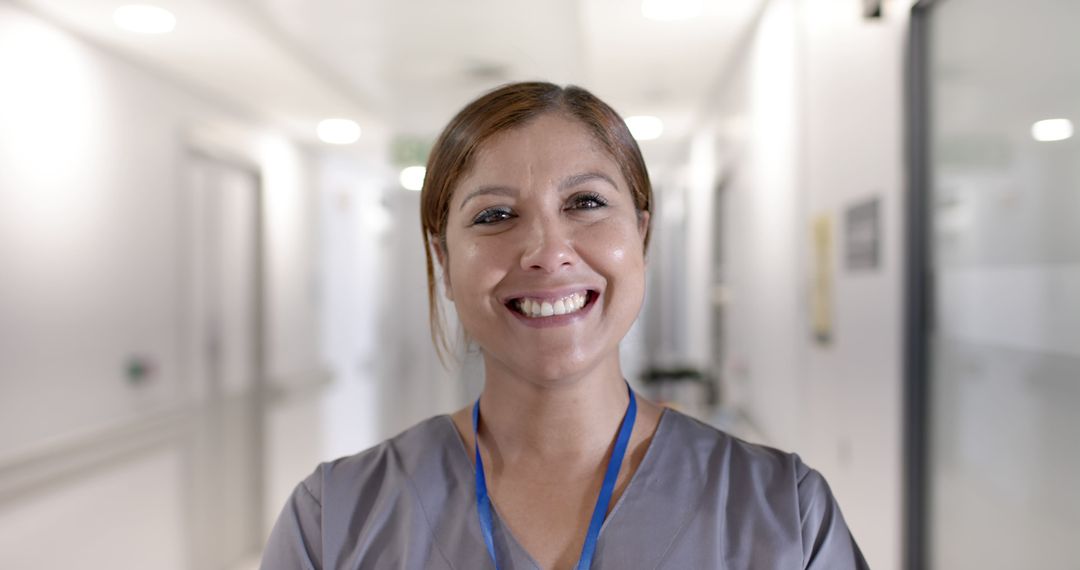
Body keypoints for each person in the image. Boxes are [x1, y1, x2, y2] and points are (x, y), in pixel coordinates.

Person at [260, 82, 869, 570]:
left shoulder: (785, 514)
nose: (547, 253)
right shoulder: (334, 520)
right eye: (496, 215)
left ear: (643, 236)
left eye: (585, 203)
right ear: (443, 262)